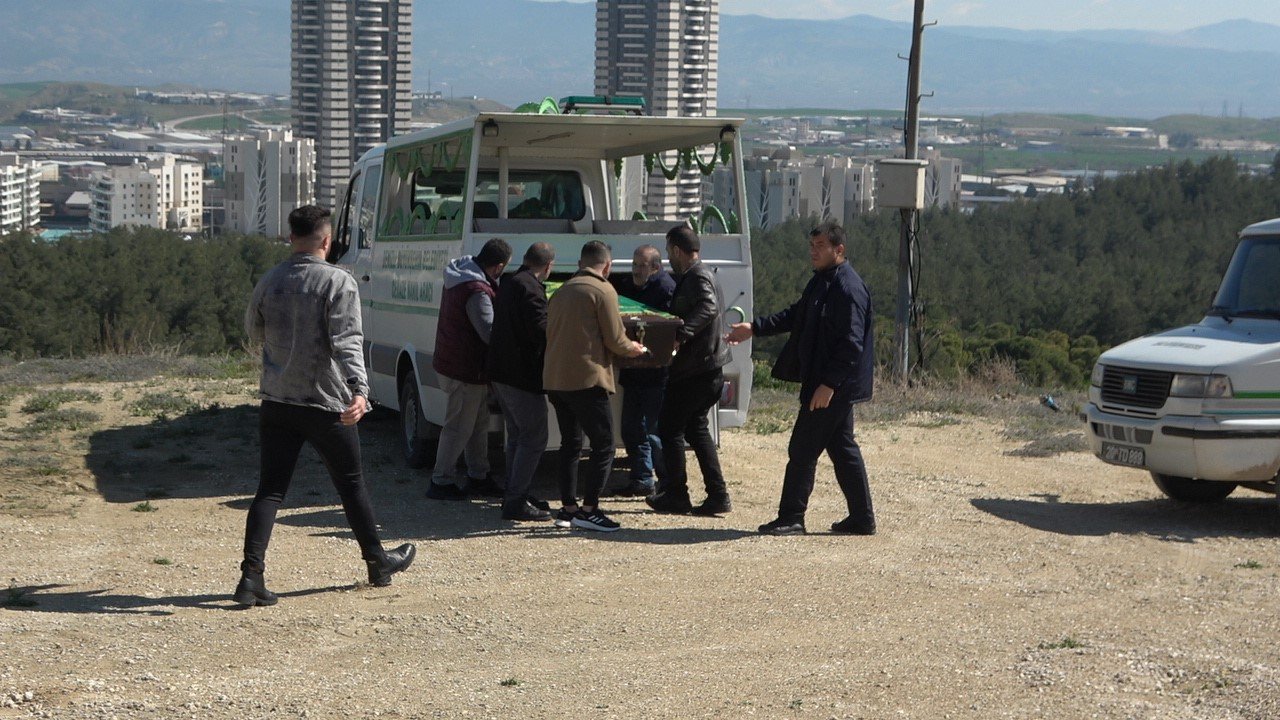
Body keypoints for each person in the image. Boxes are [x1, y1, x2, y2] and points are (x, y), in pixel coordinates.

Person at [236, 204, 415, 607]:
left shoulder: (270, 279)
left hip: (279, 398)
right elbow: (347, 341)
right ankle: (377, 562)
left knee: (270, 490)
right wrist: (360, 391)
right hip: (326, 402)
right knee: (350, 484)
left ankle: (251, 577)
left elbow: (252, 329)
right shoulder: (339, 282)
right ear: (327, 240)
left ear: (290, 236)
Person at [726, 221, 876, 536]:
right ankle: (862, 519)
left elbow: (852, 344)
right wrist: (754, 327)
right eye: (812, 245)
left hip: (833, 386)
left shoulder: (847, 289)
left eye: (820, 246)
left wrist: (829, 385)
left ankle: (792, 516)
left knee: (802, 449)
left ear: (839, 250)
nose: (813, 252)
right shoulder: (822, 282)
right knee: (843, 448)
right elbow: (796, 315)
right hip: (824, 382)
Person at [543, 240, 645, 532]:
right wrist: (634, 349)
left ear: (579, 263)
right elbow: (615, 338)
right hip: (587, 379)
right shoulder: (602, 290)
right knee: (603, 445)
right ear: (607, 266)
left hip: (556, 379)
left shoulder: (561, 291)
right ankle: (590, 510)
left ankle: (568, 508)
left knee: (570, 444)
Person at [645, 225, 734, 516]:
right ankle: (717, 495)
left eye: (670, 251)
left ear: (676, 251)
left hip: (696, 370)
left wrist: (681, 335)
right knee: (696, 430)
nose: (669, 258)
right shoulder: (699, 275)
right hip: (707, 369)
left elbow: (708, 308)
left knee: (669, 428)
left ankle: (676, 495)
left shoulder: (697, 276)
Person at [428, 238, 512, 500]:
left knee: (477, 424)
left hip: (455, 364)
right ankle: (440, 481)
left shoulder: (460, 275)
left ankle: (479, 475)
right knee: (459, 427)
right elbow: (488, 332)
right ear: (498, 266)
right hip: (465, 369)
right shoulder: (477, 290)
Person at [486, 242, 556, 521]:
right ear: (548, 267)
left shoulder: (510, 282)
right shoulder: (531, 289)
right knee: (534, 436)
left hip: (500, 372)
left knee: (517, 435)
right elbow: (541, 330)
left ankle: (516, 491)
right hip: (521, 375)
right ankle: (516, 500)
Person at [609, 244, 676, 497]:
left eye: (642, 265)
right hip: (634, 370)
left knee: (653, 432)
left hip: (656, 373)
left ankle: (667, 483)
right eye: (634, 264)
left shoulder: (665, 289)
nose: (636, 270)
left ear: (656, 267)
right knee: (631, 429)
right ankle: (642, 479)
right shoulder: (628, 286)